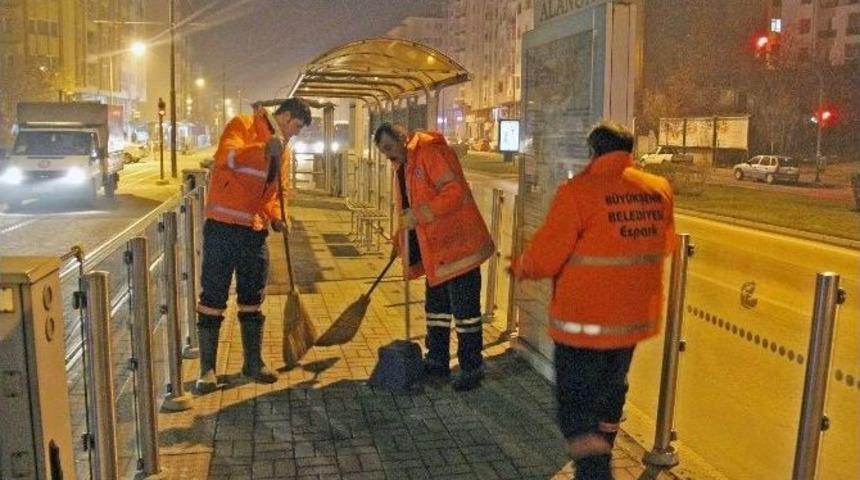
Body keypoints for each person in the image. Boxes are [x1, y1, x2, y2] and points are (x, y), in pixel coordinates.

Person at [511, 122, 675, 479]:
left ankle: (595, 470)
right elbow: (664, 244)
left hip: (584, 322)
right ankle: (606, 446)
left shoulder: (578, 192)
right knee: (612, 388)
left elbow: (547, 256)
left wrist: (521, 266)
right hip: (631, 320)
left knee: (575, 406)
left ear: (593, 151)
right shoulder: (658, 189)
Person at [195, 97, 312, 393]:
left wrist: (278, 216)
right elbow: (227, 158)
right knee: (213, 297)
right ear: (285, 117)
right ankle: (207, 370)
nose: (296, 133)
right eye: (296, 126)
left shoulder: (283, 149)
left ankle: (252, 362)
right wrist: (262, 150)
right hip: (223, 227)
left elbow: (277, 191)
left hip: (254, 230)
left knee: (252, 296)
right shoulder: (243, 125)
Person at [374, 122, 494, 391]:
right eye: (384, 152)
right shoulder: (403, 167)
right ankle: (437, 361)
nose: (388, 155)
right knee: (437, 311)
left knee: (466, 314)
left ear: (402, 138)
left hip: (459, 247)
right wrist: (400, 240)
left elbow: (454, 192)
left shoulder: (430, 153)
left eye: (390, 148)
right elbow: (408, 208)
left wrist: (419, 215)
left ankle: (472, 368)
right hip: (437, 252)